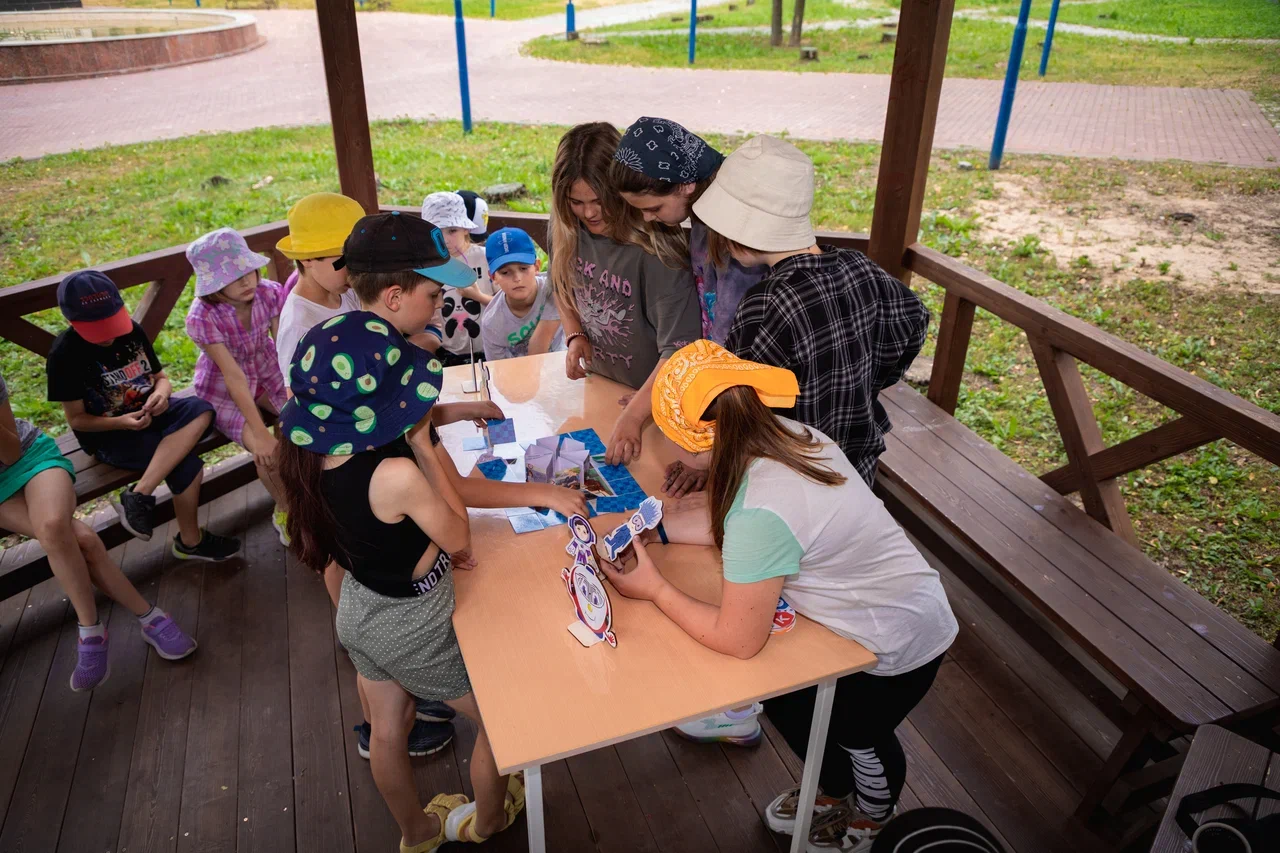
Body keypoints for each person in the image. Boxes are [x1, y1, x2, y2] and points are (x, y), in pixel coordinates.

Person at [601, 341, 958, 852]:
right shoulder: (786, 435)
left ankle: (875, 816)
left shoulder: (761, 511)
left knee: (859, 734)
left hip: (900, 642)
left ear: (698, 441)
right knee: (792, 702)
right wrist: (655, 532)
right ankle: (832, 793)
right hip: (858, 614)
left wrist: (655, 588)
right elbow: (746, 526)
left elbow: (740, 639)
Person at [276, 318, 524, 852]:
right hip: (411, 627)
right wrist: (426, 448)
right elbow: (459, 536)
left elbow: (373, 536)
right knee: (503, 723)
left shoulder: (309, 456)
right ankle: (488, 822)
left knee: (388, 729)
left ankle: (416, 832)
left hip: (360, 612)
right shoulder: (395, 474)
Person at [693, 136, 930, 488]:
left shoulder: (765, 303)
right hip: (856, 465)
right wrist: (868, 384)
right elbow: (915, 319)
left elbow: (744, 410)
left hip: (793, 475)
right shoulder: (860, 266)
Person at [339, 211, 587, 522]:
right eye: (434, 294)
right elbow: (457, 487)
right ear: (394, 297)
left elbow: (405, 423)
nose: (439, 303)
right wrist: (548, 493)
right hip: (400, 526)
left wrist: (464, 410)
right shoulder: (401, 371)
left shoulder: (356, 350)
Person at [1, 369, 197, 692]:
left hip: (27, 457)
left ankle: (90, 631)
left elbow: (8, 451)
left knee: (53, 526)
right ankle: (149, 617)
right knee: (82, 539)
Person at [610, 115, 771, 498]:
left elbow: (734, 354)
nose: (647, 219)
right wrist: (663, 391)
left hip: (755, 410)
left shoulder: (736, 239)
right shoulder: (703, 210)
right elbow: (710, 326)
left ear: (685, 184)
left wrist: (708, 458)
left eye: (652, 207)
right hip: (727, 395)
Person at [47, 270, 239, 562]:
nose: (108, 336)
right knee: (185, 465)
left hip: (151, 412)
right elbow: (77, 419)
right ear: (71, 321)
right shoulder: (64, 354)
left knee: (201, 409)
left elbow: (160, 378)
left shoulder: (131, 331)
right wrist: (121, 422)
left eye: (111, 324)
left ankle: (139, 494)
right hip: (108, 434)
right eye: (97, 330)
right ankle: (190, 542)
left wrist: (162, 394)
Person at [549, 122, 701, 465]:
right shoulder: (568, 228)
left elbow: (680, 349)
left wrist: (636, 414)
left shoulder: (658, 251)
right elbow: (558, 280)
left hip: (654, 404)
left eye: (599, 201)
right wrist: (574, 332)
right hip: (604, 389)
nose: (588, 212)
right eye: (576, 202)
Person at [185, 228, 290, 544]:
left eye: (249, 271)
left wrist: (292, 404)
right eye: (233, 277)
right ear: (212, 285)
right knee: (266, 453)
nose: (246, 281)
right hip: (223, 387)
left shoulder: (269, 293)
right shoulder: (202, 317)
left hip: (268, 368)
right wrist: (259, 433)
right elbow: (233, 378)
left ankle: (307, 494)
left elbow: (283, 352)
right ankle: (286, 509)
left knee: (299, 422)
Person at [275, 192, 366, 385]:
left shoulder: (347, 292)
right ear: (307, 258)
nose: (355, 270)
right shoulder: (299, 325)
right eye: (344, 260)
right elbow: (296, 396)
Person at [419, 192, 494, 367]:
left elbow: (506, 305)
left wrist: (478, 296)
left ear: (466, 228)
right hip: (448, 352)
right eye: (436, 232)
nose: (444, 239)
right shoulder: (427, 267)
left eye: (452, 230)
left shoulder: (486, 258)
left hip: (490, 349)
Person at [479, 226, 564, 361]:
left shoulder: (555, 289)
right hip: (518, 376)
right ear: (493, 277)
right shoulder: (491, 323)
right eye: (505, 272)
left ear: (536, 266)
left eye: (523, 268)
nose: (517, 278)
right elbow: (498, 370)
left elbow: (540, 343)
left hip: (564, 368)